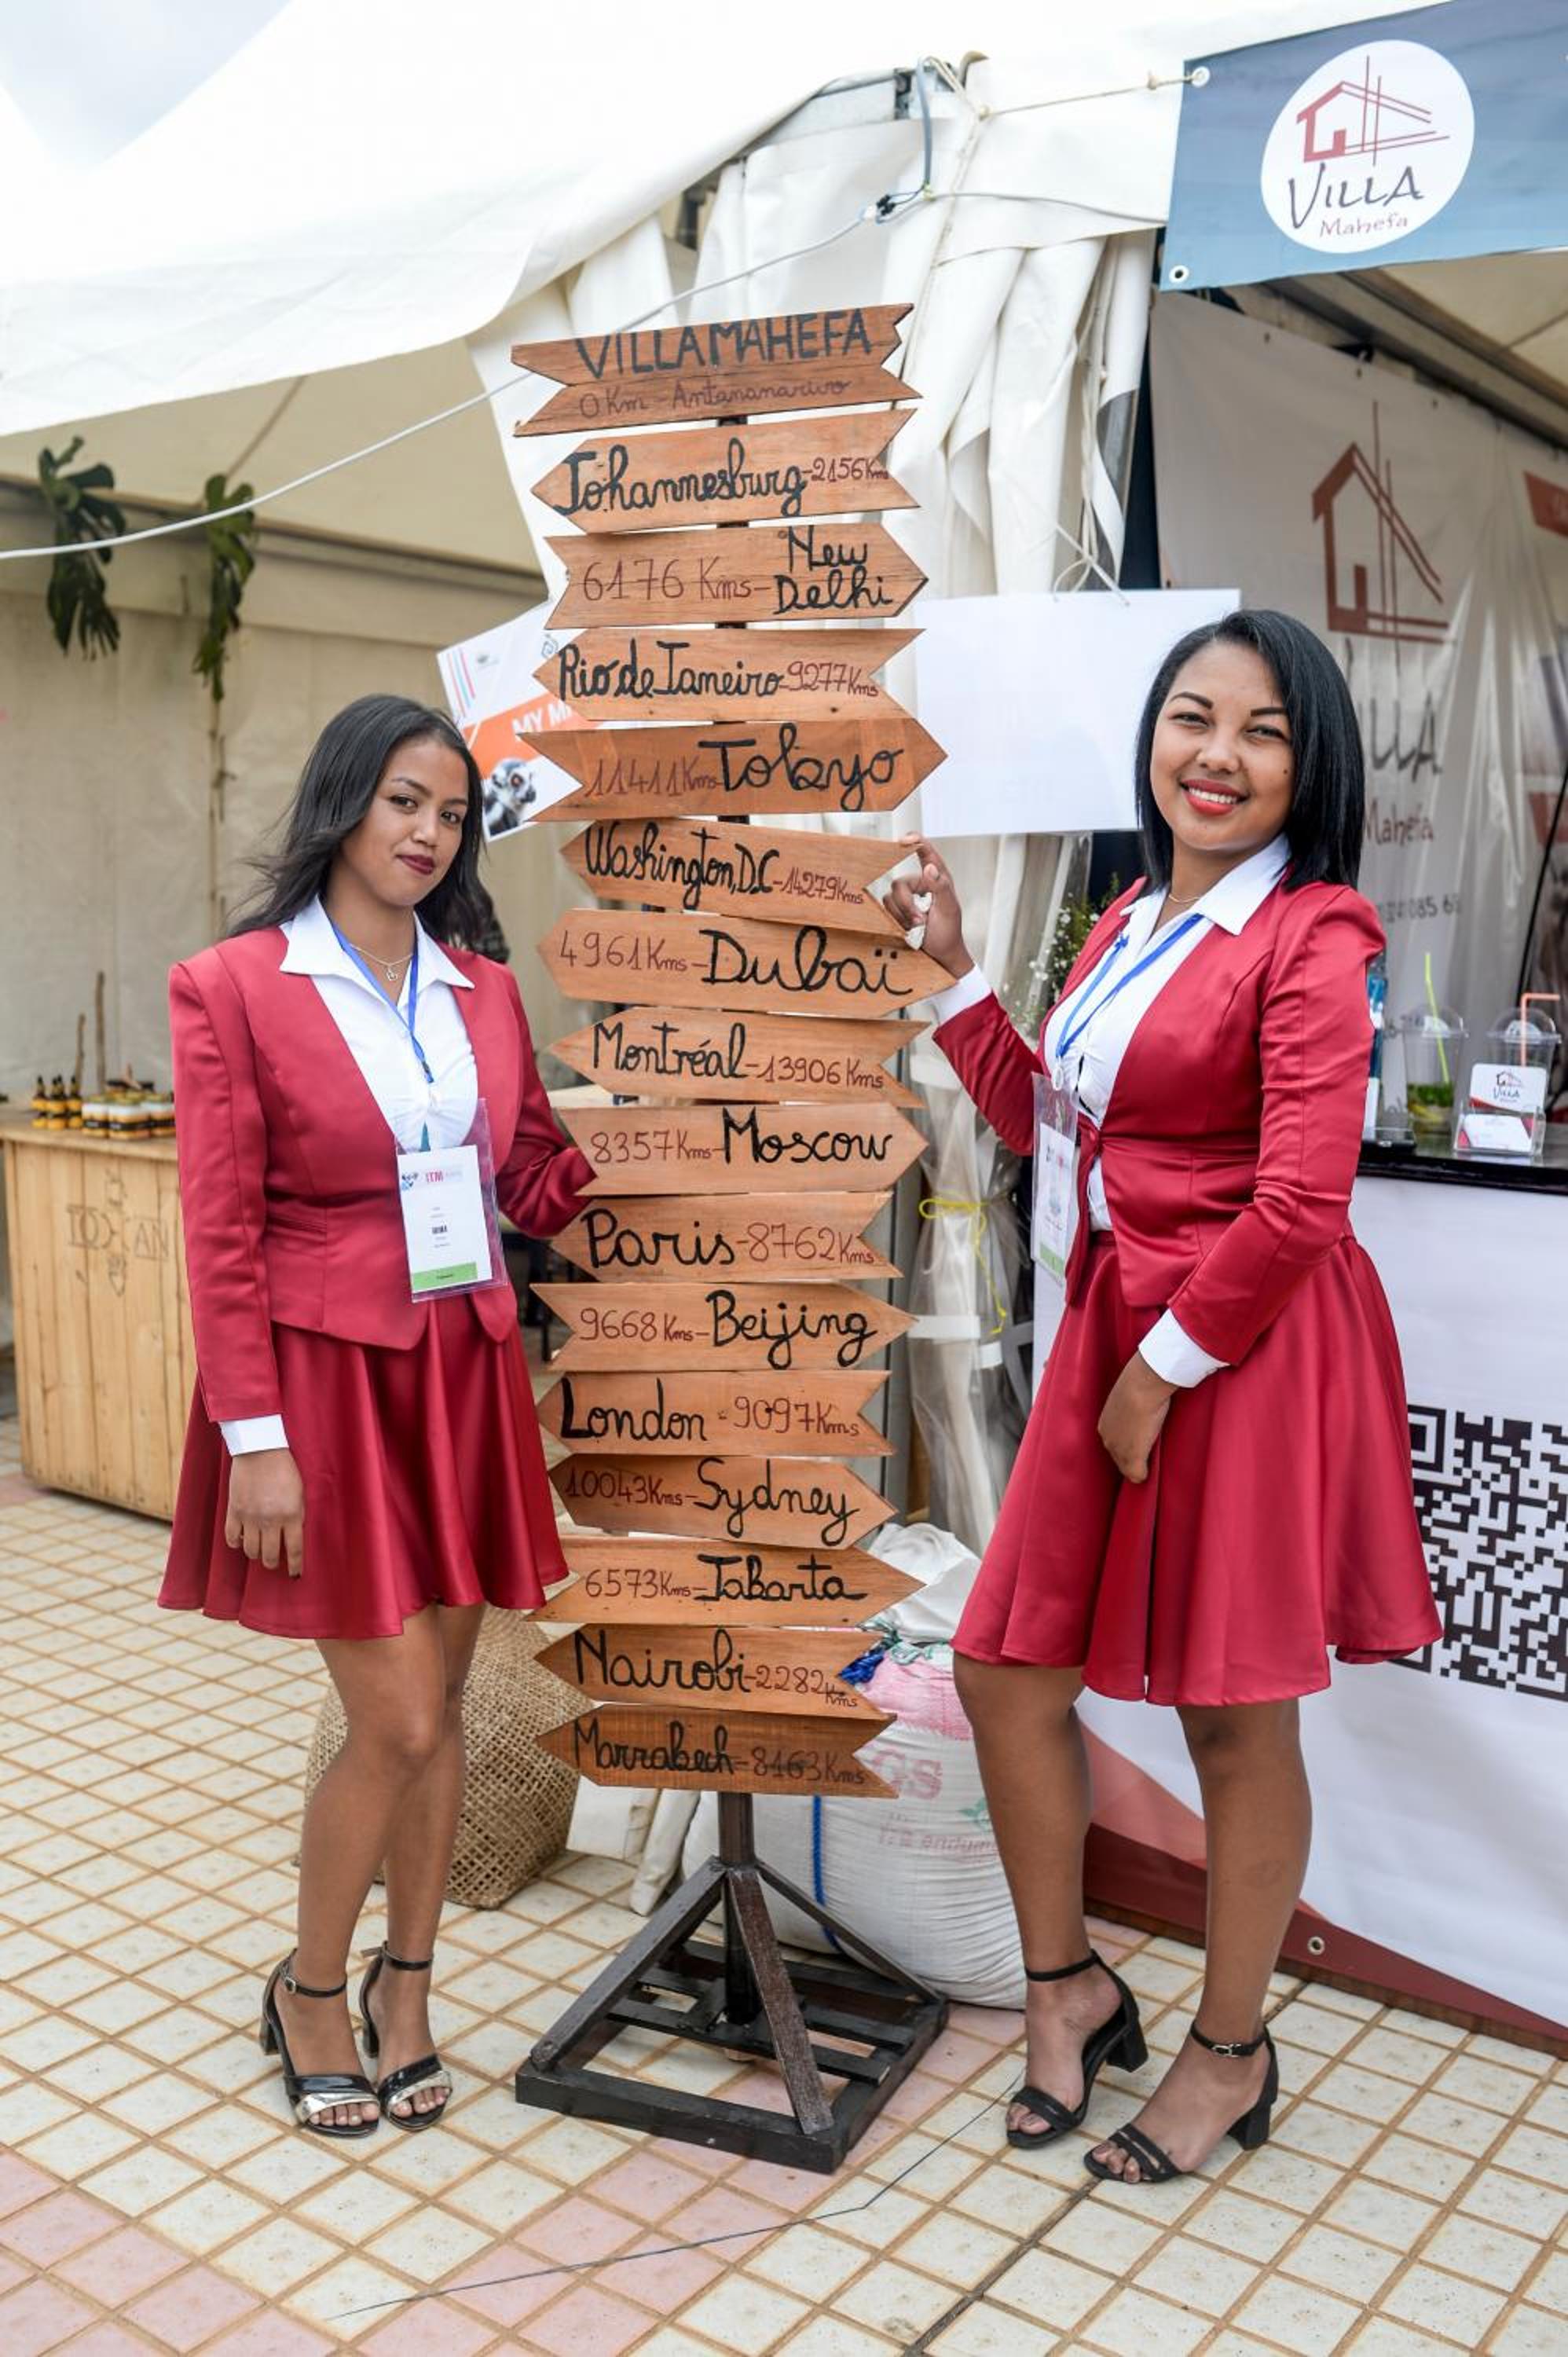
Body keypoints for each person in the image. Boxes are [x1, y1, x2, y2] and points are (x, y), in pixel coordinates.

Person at [885, 610, 1439, 2187]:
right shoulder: (1130, 918)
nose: (1217, 754)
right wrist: (957, 978)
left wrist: (1158, 1372)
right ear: (1151, 738)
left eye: (1262, 731)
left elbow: (1302, 1199)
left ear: (1308, 768)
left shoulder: (1315, 933)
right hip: (1114, 1336)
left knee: (1229, 1714)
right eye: (1191, 717)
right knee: (1004, 1672)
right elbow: (1058, 1127)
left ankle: (1230, 2049)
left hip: (1232, 1351)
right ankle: (1066, 1986)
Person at [161, 695, 594, 2139]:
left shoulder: (485, 991)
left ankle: (407, 1991)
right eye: (405, 801)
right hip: (326, 1388)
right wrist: (255, 1439)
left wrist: (651, 1130)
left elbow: (527, 1179)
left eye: (453, 814)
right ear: (344, 800)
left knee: (446, 1708)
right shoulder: (233, 985)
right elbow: (220, 1234)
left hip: (462, 1377)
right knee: (398, 1720)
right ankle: (308, 1990)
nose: (429, 833)